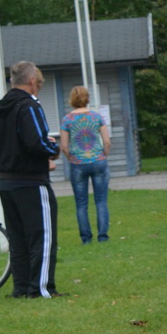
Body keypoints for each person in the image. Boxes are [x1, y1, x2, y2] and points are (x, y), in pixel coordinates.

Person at [0, 61, 60, 298]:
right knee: (42, 236)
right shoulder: (29, 106)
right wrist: (52, 147)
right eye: (39, 84)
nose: (38, 88)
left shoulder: (0, 108)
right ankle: (40, 289)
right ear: (32, 81)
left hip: (6, 182)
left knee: (18, 239)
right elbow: (35, 141)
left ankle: (21, 288)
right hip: (30, 180)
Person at [61, 86, 111, 244]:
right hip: (98, 161)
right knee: (101, 201)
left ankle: (86, 239)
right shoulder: (97, 117)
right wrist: (103, 155)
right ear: (87, 98)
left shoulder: (67, 119)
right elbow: (107, 141)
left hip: (78, 164)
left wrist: (72, 158)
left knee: (81, 203)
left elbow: (63, 146)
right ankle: (103, 237)